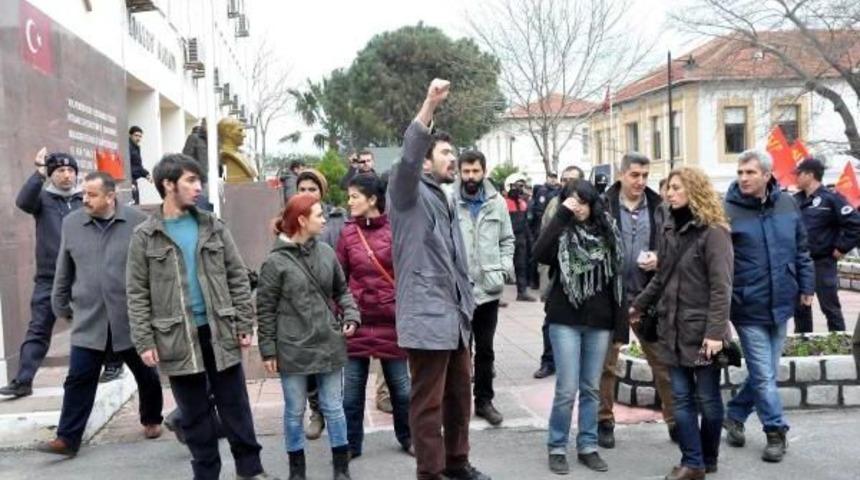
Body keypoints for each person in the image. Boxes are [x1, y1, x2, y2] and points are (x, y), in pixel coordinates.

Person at [127, 154, 274, 480]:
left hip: (219, 329)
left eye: (199, 181)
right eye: (190, 180)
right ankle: (206, 474)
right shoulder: (145, 236)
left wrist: (243, 323)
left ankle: (250, 470)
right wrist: (144, 340)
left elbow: (237, 277)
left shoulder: (212, 226)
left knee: (235, 405)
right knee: (194, 414)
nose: (198, 187)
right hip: (176, 336)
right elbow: (137, 293)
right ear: (168, 184)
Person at [388, 79, 491, 480]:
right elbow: (409, 156)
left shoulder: (443, 198)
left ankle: (457, 463)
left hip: (455, 319)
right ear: (426, 162)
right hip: (427, 319)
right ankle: (430, 473)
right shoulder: (407, 193)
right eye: (446, 152)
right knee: (427, 405)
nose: (455, 158)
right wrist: (429, 104)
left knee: (458, 399)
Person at [36, 172, 164, 456]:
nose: (85, 199)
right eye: (84, 194)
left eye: (91, 195)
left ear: (110, 196)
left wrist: (154, 311)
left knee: (147, 375)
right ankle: (67, 439)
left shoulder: (137, 222)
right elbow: (63, 266)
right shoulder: (72, 224)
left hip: (129, 318)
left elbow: (154, 271)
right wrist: (61, 305)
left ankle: (152, 418)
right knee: (78, 378)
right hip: (89, 318)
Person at [630, 167, 734, 480]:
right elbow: (662, 276)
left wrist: (715, 333)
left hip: (702, 331)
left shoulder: (714, 231)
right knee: (681, 399)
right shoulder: (669, 228)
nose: (669, 193)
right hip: (671, 328)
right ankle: (693, 462)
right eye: (668, 188)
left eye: (676, 188)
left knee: (709, 400)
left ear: (694, 190)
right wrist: (639, 305)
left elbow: (722, 286)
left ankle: (707, 456)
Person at [257, 193, 360, 480]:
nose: (325, 219)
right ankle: (297, 471)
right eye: (318, 215)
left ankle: (341, 468)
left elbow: (342, 290)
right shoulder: (275, 263)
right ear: (302, 221)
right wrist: (268, 350)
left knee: (333, 407)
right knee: (294, 411)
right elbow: (264, 309)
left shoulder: (326, 253)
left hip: (328, 342)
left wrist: (351, 315)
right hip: (292, 348)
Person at [722, 149, 814, 463]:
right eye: (740, 172)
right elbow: (719, 262)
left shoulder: (788, 203)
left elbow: (802, 249)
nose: (744, 178)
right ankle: (776, 431)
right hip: (747, 305)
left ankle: (734, 414)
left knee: (767, 373)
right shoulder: (726, 209)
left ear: (766, 174)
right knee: (763, 376)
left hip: (782, 301)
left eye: (750, 172)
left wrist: (807, 285)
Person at [533, 179, 625, 475]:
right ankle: (557, 446)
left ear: (593, 202)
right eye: (573, 201)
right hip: (565, 320)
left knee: (591, 388)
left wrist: (620, 329)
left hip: (600, 322)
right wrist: (562, 214)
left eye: (583, 201)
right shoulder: (562, 230)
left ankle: (588, 445)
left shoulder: (608, 231)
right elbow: (539, 253)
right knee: (566, 389)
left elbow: (617, 282)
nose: (579, 207)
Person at [599, 153, 676, 447]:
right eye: (634, 175)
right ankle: (604, 421)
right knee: (606, 365)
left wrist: (661, 258)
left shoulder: (660, 207)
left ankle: (674, 420)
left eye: (645, 175)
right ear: (621, 175)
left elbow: (676, 247)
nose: (641, 181)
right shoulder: (603, 205)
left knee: (663, 362)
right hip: (611, 297)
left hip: (649, 297)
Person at [335, 174, 412, 459]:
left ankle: (408, 438)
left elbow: (406, 274)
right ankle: (352, 445)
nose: (349, 201)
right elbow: (338, 279)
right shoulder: (347, 234)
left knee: (402, 391)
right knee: (351, 394)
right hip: (356, 323)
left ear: (372, 200)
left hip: (390, 321)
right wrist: (341, 312)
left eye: (355, 196)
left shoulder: (395, 230)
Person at [0, 149, 83, 399]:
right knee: (38, 328)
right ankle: (23, 380)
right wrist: (38, 171)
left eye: (70, 170)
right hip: (50, 277)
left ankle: (112, 366)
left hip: (83, 275)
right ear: (51, 174)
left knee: (100, 323)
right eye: (59, 171)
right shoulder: (43, 199)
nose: (66, 175)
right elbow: (23, 202)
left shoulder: (84, 199)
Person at [452, 150, 515, 426]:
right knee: (459, 351)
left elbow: (507, 240)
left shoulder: (496, 202)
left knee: (486, 350)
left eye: (475, 171)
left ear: (483, 172)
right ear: (459, 172)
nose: (470, 177)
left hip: (488, 290)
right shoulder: (449, 200)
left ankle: (484, 401)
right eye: (466, 171)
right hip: (459, 291)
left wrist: (503, 269)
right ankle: (458, 404)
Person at [289, 167, 347, 440]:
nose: (307, 194)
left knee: (331, 363)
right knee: (308, 368)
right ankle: (317, 411)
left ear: (322, 193)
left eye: (313, 189)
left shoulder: (336, 221)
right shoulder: (286, 224)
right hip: (299, 311)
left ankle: (332, 410)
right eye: (302, 189)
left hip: (329, 304)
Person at [793, 157, 860, 333]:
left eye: (798, 174)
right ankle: (804, 343)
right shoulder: (796, 200)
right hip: (801, 262)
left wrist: (842, 247)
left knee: (830, 307)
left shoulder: (831, 198)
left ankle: (840, 343)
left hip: (822, 262)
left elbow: (855, 224)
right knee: (801, 307)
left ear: (810, 175)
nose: (795, 178)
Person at [533, 165, 585, 379]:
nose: (567, 184)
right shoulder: (554, 205)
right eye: (564, 180)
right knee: (550, 321)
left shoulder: (589, 205)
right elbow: (543, 237)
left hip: (581, 277)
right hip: (556, 273)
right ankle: (548, 361)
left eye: (572, 180)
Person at [505, 173, 536, 302]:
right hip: (507, 239)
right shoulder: (502, 203)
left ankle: (522, 292)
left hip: (521, 239)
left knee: (521, 266)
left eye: (521, 186)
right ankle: (496, 296)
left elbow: (526, 224)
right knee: (502, 267)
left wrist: (530, 240)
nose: (520, 189)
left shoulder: (523, 203)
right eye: (517, 186)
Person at [529, 172, 562, 290]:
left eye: (554, 178)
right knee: (538, 253)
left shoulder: (557, 191)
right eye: (551, 177)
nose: (553, 180)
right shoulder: (543, 191)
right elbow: (539, 210)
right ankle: (534, 281)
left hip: (551, 225)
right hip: (542, 225)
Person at [129, 126, 150, 205]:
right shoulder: (128, 147)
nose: (138, 138)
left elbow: (138, 165)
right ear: (130, 135)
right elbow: (133, 166)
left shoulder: (136, 147)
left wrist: (146, 174)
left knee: (136, 204)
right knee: (134, 204)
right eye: (136, 135)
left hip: (133, 179)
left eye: (140, 136)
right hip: (130, 179)